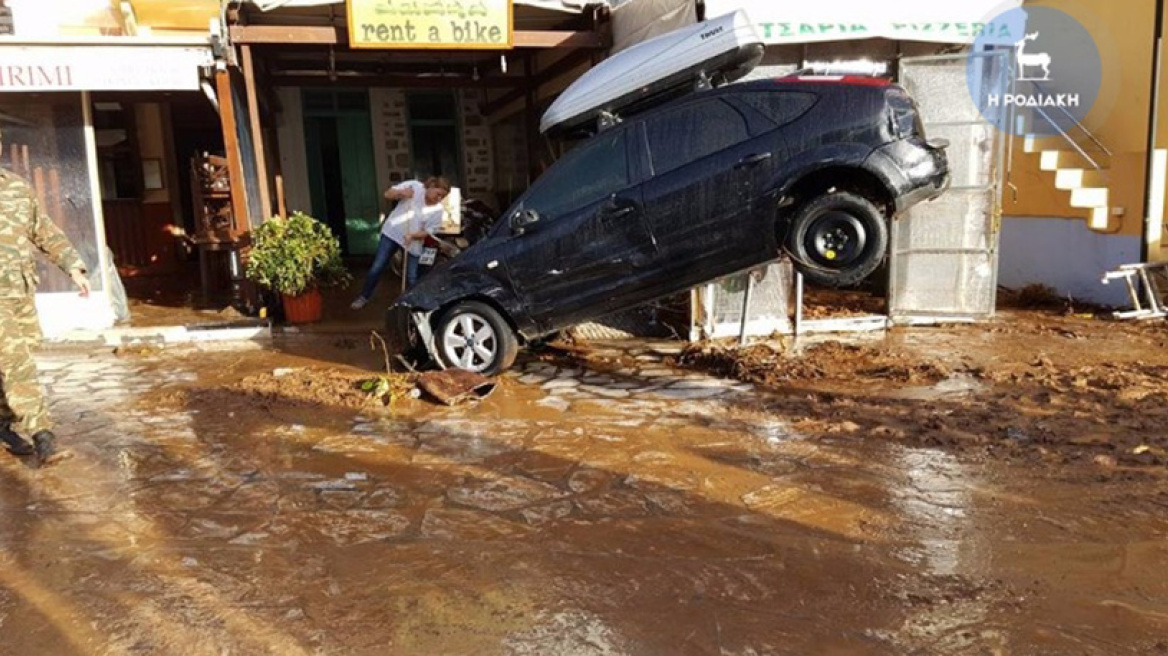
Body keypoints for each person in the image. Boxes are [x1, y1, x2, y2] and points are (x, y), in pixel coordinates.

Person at [0, 154, 91, 466]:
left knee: (17, 355)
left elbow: (45, 231)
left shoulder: (17, 188)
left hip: (18, 293)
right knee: (16, 362)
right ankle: (43, 437)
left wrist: (73, 267)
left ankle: (3, 425)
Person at [351, 176, 451, 310]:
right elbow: (387, 194)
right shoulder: (415, 186)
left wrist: (413, 236)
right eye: (438, 194)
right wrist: (402, 193)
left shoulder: (438, 210)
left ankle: (413, 304)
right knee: (377, 267)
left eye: (442, 197)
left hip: (413, 241)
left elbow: (428, 231)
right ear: (432, 186)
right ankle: (364, 297)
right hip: (393, 233)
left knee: (412, 276)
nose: (439, 199)